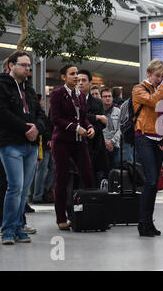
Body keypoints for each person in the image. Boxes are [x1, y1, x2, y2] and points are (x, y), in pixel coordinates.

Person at [0, 50, 45, 245]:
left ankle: (18, 227)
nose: (28, 68)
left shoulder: (29, 90)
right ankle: (7, 229)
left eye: (29, 66)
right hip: (11, 144)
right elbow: (1, 115)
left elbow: (40, 114)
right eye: (24, 65)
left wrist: (37, 127)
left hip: (29, 146)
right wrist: (25, 129)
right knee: (14, 186)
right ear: (12, 65)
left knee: (22, 191)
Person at [132, 59, 163, 237]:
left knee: (154, 184)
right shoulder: (138, 89)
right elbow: (152, 102)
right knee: (150, 180)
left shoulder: (161, 93)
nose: (160, 79)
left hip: (158, 140)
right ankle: (143, 222)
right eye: (157, 76)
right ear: (149, 74)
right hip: (143, 137)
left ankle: (148, 222)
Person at [50, 64, 95, 230]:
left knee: (88, 175)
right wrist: (76, 128)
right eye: (72, 74)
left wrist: (90, 127)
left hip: (79, 142)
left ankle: (91, 212)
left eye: (77, 73)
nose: (76, 76)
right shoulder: (57, 94)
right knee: (61, 179)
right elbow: (56, 119)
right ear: (64, 77)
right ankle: (61, 217)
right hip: (62, 142)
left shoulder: (81, 95)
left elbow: (83, 119)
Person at [78, 69, 109, 186]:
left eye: (83, 80)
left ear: (90, 83)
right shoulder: (71, 100)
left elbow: (103, 122)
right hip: (76, 143)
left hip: (95, 144)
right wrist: (96, 117)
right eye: (78, 80)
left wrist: (94, 129)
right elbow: (76, 116)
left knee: (94, 176)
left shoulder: (97, 102)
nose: (80, 83)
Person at [32, 94, 55, 203]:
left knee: (52, 168)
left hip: (47, 145)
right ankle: (38, 195)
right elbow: (43, 128)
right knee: (41, 170)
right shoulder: (37, 113)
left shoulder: (41, 113)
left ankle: (45, 191)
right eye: (42, 100)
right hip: (43, 145)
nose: (43, 101)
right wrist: (49, 138)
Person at [101, 88, 122, 170]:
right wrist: (106, 142)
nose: (107, 98)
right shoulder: (98, 112)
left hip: (115, 145)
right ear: (101, 98)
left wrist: (112, 142)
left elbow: (121, 129)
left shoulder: (118, 111)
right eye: (105, 96)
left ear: (112, 98)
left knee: (115, 170)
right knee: (103, 170)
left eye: (109, 96)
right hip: (102, 146)